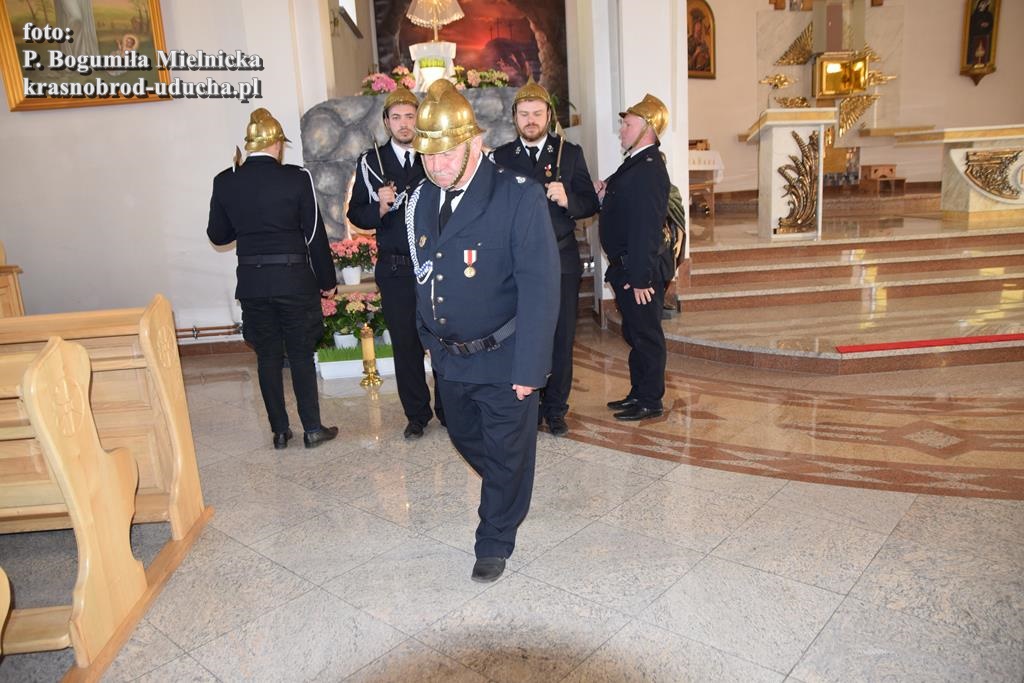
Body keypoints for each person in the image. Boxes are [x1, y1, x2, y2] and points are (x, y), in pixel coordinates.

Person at [406, 79, 559, 582]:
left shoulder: (518, 196)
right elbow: (423, 274)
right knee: (466, 436)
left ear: (475, 142)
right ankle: (510, 481)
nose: (436, 165)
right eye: (428, 155)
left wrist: (530, 369)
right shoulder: (421, 199)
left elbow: (540, 288)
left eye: (446, 154)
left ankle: (493, 538)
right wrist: (428, 340)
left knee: (505, 449)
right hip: (450, 358)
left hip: (505, 354)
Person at [207, 108, 339, 450]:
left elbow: (218, 235)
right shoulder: (297, 178)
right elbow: (314, 234)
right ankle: (312, 428)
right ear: (278, 144)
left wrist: (245, 223)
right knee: (300, 354)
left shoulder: (225, 181)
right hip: (294, 282)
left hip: (253, 284)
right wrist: (327, 280)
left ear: (249, 145)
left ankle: (279, 432)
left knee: (266, 357)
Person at [491, 79, 599, 437]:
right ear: (514, 118)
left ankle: (555, 409)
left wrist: (569, 199)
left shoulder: (570, 153)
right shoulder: (501, 158)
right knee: (521, 334)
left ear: (549, 116)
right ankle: (529, 406)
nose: (531, 120)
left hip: (560, 258)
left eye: (537, 113)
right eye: (524, 114)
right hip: (515, 264)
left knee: (561, 336)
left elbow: (590, 202)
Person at [347, 87, 444, 439]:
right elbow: (355, 214)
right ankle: (416, 415)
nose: (404, 124)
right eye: (397, 117)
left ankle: (448, 409)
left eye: (410, 116)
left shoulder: (435, 154)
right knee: (405, 345)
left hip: (435, 267)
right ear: (386, 122)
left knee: (442, 339)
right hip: (395, 268)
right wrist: (380, 206)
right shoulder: (370, 162)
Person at [596, 94, 671, 421]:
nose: (622, 130)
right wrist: (604, 192)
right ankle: (638, 392)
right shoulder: (637, 163)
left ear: (647, 128)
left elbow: (646, 229)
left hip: (639, 272)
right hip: (627, 268)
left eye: (627, 124)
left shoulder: (649, 169)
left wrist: (641, 278)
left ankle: (650, 400)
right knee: (635, 334)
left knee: (646, 337)